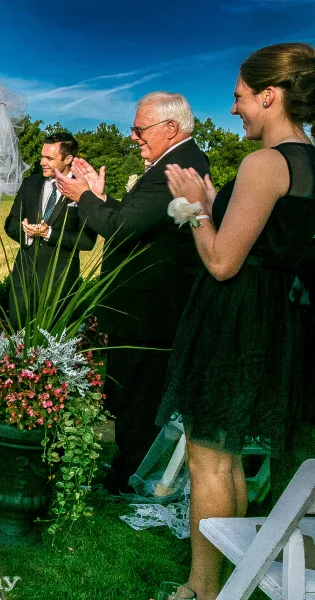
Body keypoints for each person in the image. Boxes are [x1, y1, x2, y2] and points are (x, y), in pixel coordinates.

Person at [157, 43, 315, 600]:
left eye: (240, 97)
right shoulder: (308, 162)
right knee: (235, 456)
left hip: (237, 320)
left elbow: (223, 261)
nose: (233, 109)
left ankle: (202, 589)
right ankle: (237, 578)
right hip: (282, 320)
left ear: (269, 96)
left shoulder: (265, 162)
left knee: (210, 459)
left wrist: (196, 205)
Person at [55, 92, 211, 493]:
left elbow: (123, 228)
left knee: (139, 397)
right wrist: (101, 196)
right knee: (132, 394)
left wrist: (84, 197)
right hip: (144, 307)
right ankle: (130, 467)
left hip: (150, 309)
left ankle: (130, 476)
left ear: (170, 128)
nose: (133, 137)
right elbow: (139, 220)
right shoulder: (171, 163)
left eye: (140, 129)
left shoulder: (177, 165)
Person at [4, 132, 96, 329]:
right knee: (16, 346)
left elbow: (87, 241)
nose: (42, 162)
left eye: (49, 158)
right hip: (23, 279)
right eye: (42, 156)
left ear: (68, 159)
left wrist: (49, 234)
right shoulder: (30, 184)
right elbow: (10, 224)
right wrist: (27, 233)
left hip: (59, 285)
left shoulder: (85, 190)